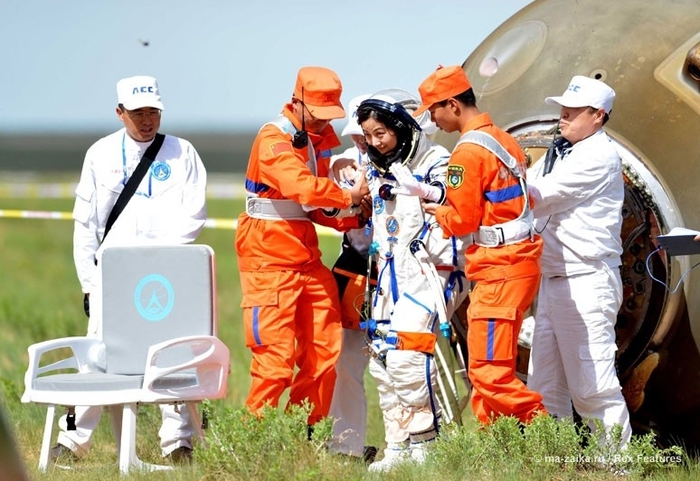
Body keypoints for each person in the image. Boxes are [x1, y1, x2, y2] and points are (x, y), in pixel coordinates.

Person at [54, 75, 207, 463]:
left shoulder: (182, 152)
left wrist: (160, 255)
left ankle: (179, 443)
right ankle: (71, 441)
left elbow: (195, 213)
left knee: (172, 355)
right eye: (137, 112)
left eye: (153, 111)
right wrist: (89, 284)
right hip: (112, 277)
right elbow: (85, 224)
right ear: (119, 112)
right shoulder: (100, 154)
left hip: (166, 275)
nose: (146, 120)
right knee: (97, 358)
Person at [235, 66, 369, 432]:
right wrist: (348, 196)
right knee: (274, 361)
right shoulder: (273, 138)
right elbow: (304, 189)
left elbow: (315, 208)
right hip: (268, 261)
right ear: (299, 102)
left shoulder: (314, 141)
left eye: (331, 116)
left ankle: (303, 435)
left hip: (305, 258)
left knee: (324, 352)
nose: (326, 124)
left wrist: (354, 216)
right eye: (320, 115)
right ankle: (254, 443)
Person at [414, 65, 547, 426]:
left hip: (498, 271)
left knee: (489, 373)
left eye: (433, 111)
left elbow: (462, 221)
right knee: (486, 368)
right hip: (516, 265)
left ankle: (550, 435)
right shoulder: (503, 139)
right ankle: (494, 450)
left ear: (453, 105)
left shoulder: (467, 154)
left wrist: (435, 210)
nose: (433, 120)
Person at [355, 89, 469, 472]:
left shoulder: (438, 160)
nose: (373, 142)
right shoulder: (376, 167)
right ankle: (398, 446)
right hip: (390, 271)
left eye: (380, 133)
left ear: (403, 128)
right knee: (382, 360)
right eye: (368, 136)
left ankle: (427, 444)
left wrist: (424, 191)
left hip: (434, 269)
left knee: (406, 353)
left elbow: (455, 198)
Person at [525, 75, 632, 447]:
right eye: (562, 110)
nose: (562, 117)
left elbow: (538, 194)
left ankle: (615, 465)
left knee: (592, 386)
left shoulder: (598, 155)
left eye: (572, 112)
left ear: (598, 115)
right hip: (555, 281)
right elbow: (528, 183)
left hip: (587, 280)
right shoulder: (561, 152)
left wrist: (490, 178)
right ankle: (553, 460)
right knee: (545, 385)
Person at [325, 93, 377, 463]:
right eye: (357, 136)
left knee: (402, 365)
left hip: (402, 273)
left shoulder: (414, 163)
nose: (362, 143)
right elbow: (328, 207)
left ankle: (418, 445)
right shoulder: (344, 166)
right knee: (344, 362)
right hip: (356, 268)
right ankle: (346, 446)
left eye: (368, 135)